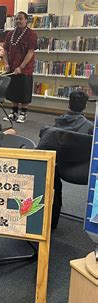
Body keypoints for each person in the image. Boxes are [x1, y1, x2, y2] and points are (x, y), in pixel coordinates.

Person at [37, 91, 93, 231]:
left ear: (68, 104)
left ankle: (52, 217)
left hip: (59, 166)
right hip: (82, 169)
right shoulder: (90, 127)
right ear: (85, 107)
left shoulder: (55, 126)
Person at [3, 11, 38, 123]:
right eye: (16, 19)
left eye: (21, 18)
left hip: (25, 69)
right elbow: (5, 50)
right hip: (12, 67)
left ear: (26, 20)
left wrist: (21, 67)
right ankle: (14, 112)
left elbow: (30, 52)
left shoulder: (31, 34)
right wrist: (6, 63)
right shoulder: (10, 34)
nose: (18, 21)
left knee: (24, 91)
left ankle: (23, 113)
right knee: (13, 90)